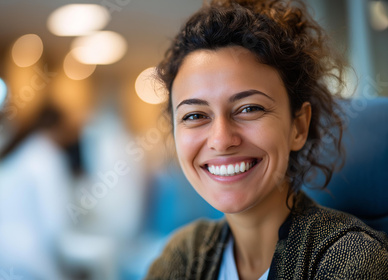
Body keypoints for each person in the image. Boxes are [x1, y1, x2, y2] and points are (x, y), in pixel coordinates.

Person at [146, 0, 388, 279]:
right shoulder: (184, 254)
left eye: (249, 109)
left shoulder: (351, 260)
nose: (221, 140)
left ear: (298, 126)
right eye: (195, 115)